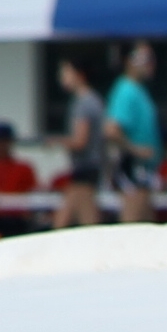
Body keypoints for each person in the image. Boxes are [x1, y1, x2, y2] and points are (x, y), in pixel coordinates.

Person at [104, 42, 166, 222]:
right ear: (130, 61)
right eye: (145, 59)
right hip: (134, 166)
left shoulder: (139, 90)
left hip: (145, 168)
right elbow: (111, 130)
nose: (150, 64)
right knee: (133, 222)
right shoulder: (126, 90)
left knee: (146, 223)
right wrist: (136, 150)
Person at [49, 56, 105, 228]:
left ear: (79, 75)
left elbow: (80, 141)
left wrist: (57, 141)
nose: (62, 77)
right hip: (88, 170)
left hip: (85, 169)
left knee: (79, 222)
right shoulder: (92, 100)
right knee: (72, 219)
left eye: (66, 72)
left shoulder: (84, 103)